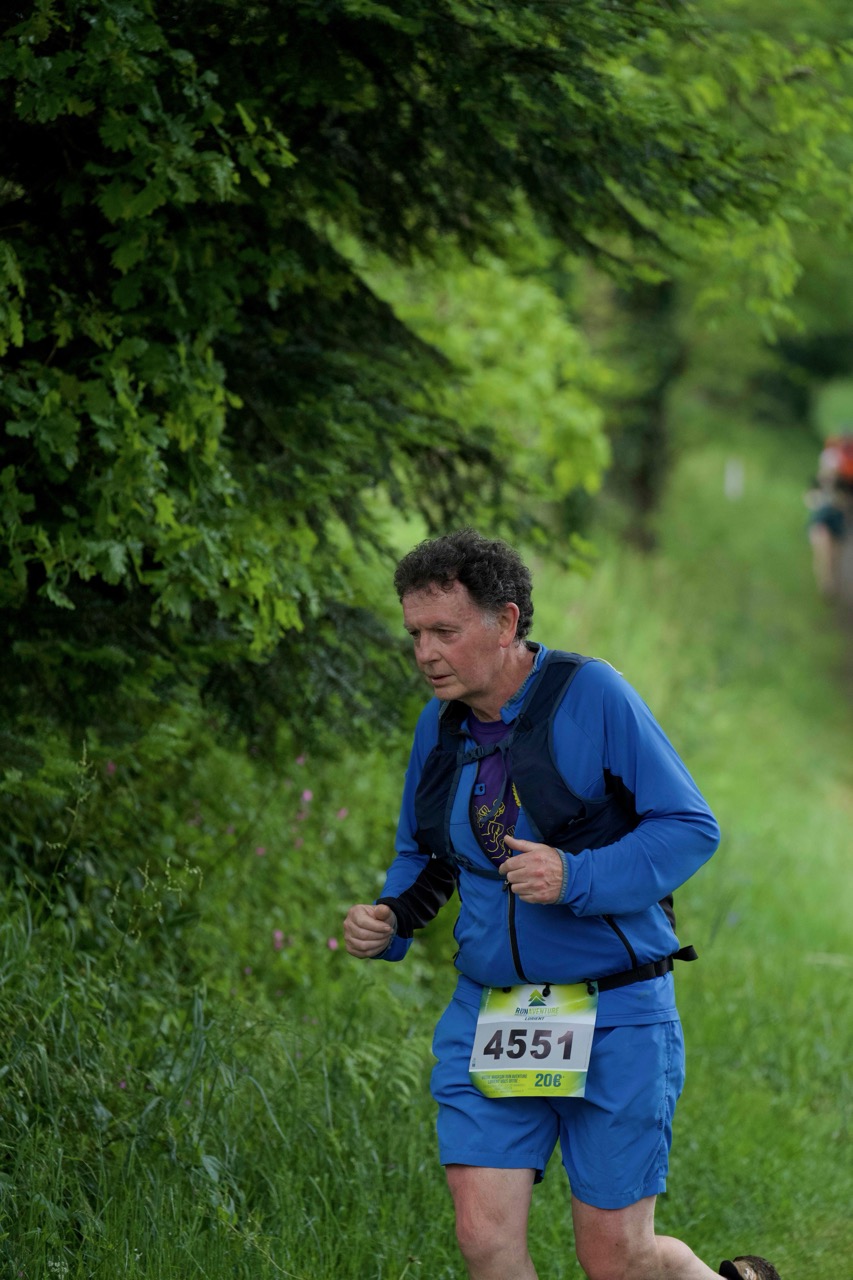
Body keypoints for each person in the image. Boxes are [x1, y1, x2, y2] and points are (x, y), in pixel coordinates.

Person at [343, 528, 780, 1280]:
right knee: (484, 1240)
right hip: (494, 1011)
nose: (425, 653)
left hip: (616, 1010)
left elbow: (688, 827)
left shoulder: (592, 694)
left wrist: (576, 876)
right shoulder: (439, 727)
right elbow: (425, 852)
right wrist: (389, 919)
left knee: (616, 1259)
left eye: (444, 631)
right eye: (415, 634)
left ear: (506, 622)